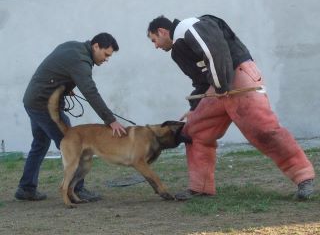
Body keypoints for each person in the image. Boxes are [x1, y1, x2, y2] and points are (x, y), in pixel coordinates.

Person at [147, 15, 315, 200]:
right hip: (219, 87)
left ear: (162, 31)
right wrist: (195, 107)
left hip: (238, 77)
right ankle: (201, 188)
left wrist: (220, 88)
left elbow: (216, 52)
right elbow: (200, 81)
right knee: (194, 131)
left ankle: (304, 177)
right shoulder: (178, 51)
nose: (156, 46)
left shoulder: (190, 27)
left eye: (154, 40)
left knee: (263, 130)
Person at [15, 33, 127, 201]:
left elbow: (56, 68)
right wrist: (110, 120)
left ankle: (26, 188)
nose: (106, 59)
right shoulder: (81, 61)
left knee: (39, 144)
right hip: (44, 104)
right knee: (74, 142)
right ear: (96, 46)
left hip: (32, 100)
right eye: (106, 54)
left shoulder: (74, 46)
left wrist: (66, 86)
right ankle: (77, 189)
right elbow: (90, 92)